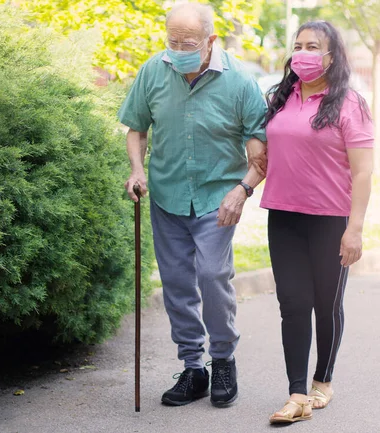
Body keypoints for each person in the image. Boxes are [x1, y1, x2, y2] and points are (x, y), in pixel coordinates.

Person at [117, 2, 267, 407]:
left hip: (217, 199)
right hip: (167, 195)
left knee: (213, 276)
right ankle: (192, 368)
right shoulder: (153, 70)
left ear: (210, 40)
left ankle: (222, 360)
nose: (178, 48)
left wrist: (243, 189)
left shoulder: (240, 83)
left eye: (189, 42)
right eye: (173, 41)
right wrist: (137, 169)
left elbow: (261, 149)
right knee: (177, 285)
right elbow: (136, 129)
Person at [260, 21, 374, 423]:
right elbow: (263, 149)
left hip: (330, 219)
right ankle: (297, 394)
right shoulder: (279, 97)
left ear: (331, 55)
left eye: (313, 46)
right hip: (284, 215)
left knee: (326, 304)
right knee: (292, 304)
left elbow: (361, 172)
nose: (303, 53)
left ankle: (322, 380)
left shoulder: (348, 103)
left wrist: (354, 228)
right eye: (298, 45)